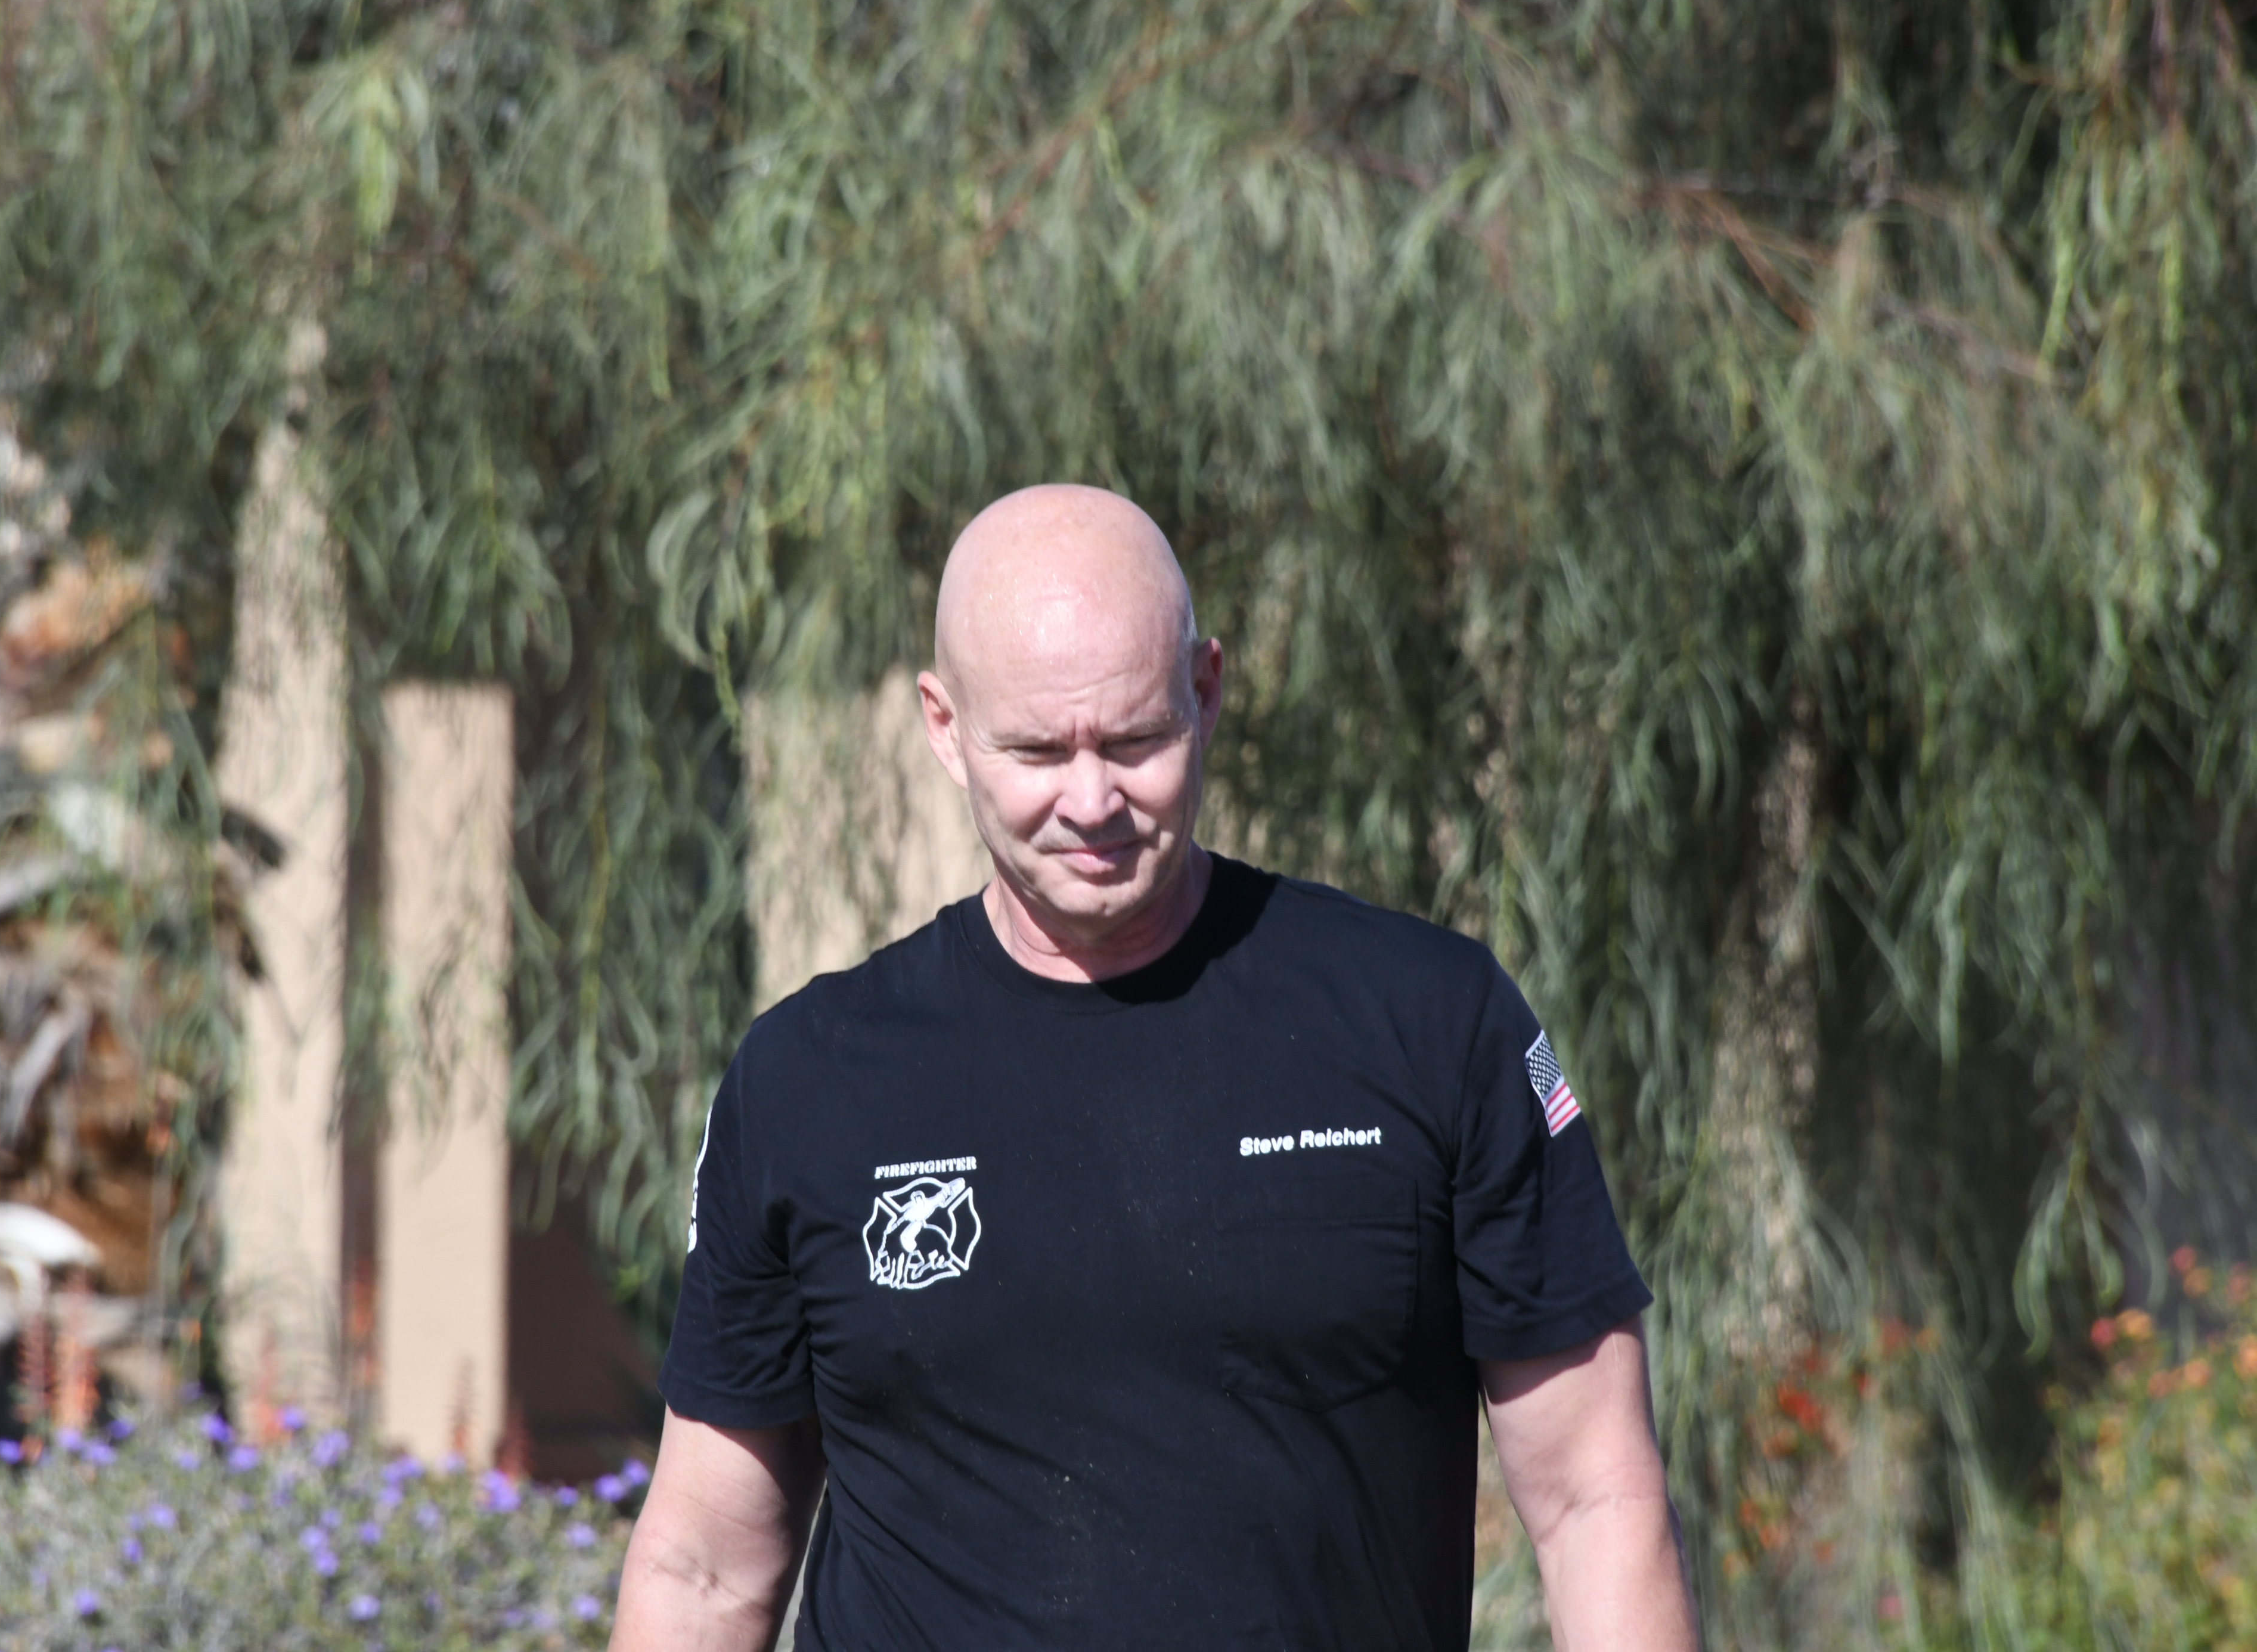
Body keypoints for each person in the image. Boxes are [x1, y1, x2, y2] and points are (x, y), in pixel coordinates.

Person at [613, 485, 1699, 1651]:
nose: (1092, 802)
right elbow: (705, 1573)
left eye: (1134, 742)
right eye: (1038, 751)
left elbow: (1594, 1497)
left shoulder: (1429, 1021)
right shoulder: (809, 1079)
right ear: (943, 725)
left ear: (1207, 688)